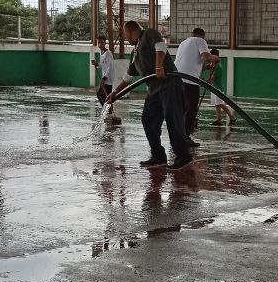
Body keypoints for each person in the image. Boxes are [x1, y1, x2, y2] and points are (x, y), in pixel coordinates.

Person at [108, 20, 192, 171]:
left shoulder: (148, 34)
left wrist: (159, 67)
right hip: (154, 90)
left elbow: (161, 46)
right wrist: (115, 93)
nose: (126, 38)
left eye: (126, 35)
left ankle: (183, 156)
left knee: (173, 121)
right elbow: (128, 77)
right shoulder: (135, 52)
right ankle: (158, 156)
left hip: (169, 85)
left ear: (131, 31)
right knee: (148, 120)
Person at [173, 27, 219, 148]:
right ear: (202, 36)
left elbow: (192, 62)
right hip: (190, 81)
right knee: (191, 109)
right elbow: (205, 57)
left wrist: (206, 68)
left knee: (181, 110)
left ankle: (178, 136)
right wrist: (215, 58)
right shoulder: (200, 41)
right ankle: (185, 137)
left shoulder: (183, 43)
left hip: (177, 79)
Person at [207, 48, 236, 127]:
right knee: (217, 104)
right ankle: (219, 120)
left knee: (220, 103)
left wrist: (204, 81)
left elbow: (212, 79)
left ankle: (232, 117)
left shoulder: (217, 67)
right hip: (214, 87)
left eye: (211, 56)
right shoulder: (213, 65)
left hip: (218, 88)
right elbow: (207, 68)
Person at [92, 35, 115, 106]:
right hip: (105, 78)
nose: (100, 44)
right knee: (105, 96)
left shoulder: (108, 53)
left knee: (100, 95)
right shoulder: (102, 53)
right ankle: (108, 109)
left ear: (105, 43)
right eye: (98, 42)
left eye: (101, 42)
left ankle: (106, 109)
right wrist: (97, 64)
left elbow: (110, 67)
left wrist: (104, 78)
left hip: (108, 79)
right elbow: (103, 64)